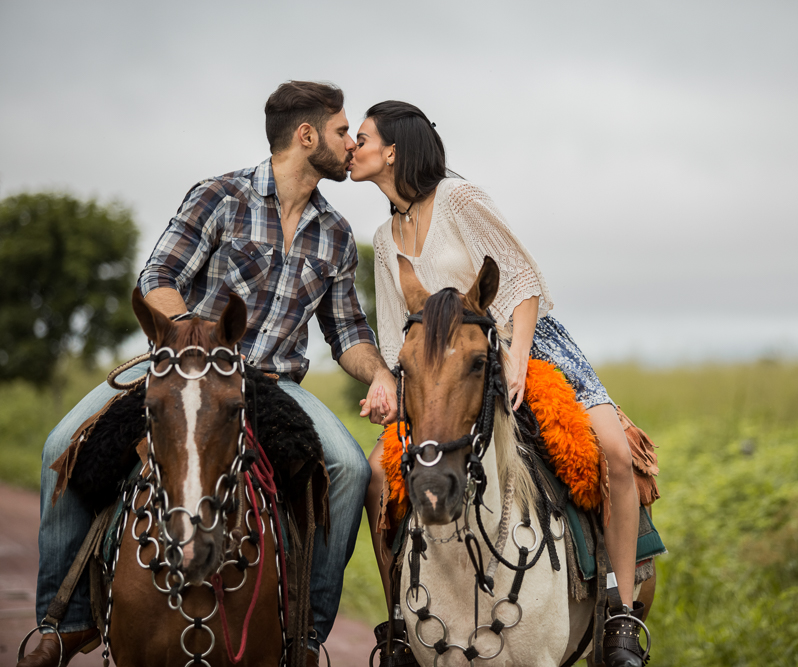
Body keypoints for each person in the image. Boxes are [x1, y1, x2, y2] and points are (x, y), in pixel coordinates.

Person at [19, 81, 398, 667]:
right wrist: (195, 341)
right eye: (343, 130)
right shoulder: (219, 198)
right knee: (61, 445)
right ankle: (62, 623)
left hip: (274, 385)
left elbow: (347, 334)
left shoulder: (338, 234)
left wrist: (378, 375)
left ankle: (306, 634)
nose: (351, 143)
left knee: (347, 467)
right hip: (180, 366)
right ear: (306, 136)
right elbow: (158, 277)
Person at [349, 101, 650, 667]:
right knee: (373, 476)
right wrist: (388, 383)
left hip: (521, 342)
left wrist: (518, 360)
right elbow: (396, 337)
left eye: (359, 139)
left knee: (611, 452)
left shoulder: (459, 198)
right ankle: (399, 626)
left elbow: (520, 277)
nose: (350, 149)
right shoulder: (384, 238)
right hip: (444, 373)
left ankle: (622, 612)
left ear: (391, 151)